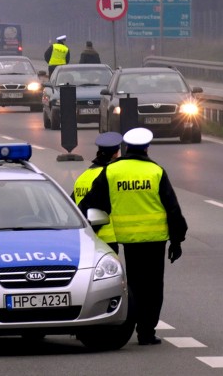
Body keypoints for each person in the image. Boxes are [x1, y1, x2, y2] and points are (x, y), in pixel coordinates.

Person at [78, 127, 187, 346]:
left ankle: (126, 327)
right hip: (156, 241)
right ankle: (146, 332)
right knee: (154, 288)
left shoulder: (112, 171)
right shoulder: (155, 171)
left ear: (125, 147)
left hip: (128, 241)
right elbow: (172, 208)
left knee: (134, 286)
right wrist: (177, 240)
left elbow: (90, 203)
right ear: (147, 148)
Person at [72, 131, 122, 253]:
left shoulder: (82, 177)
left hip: (86, 238)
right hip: (107, 239)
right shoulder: (109, 177)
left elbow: (73, 206)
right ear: (115, 154)